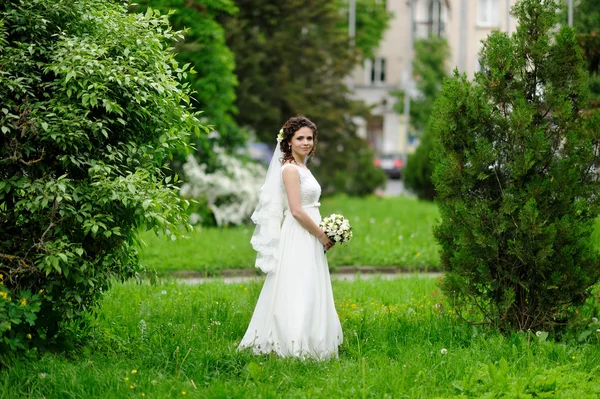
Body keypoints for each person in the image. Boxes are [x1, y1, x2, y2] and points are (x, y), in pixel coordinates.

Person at [238, 116, 343, 360]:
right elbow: (296, 210)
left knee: (310, 284)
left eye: (309, 138)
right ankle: (292, 341)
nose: (306, 142)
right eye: (300, 138)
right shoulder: (289, 169)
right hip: (300, 233)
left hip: (310, 232)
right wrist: (321, 235)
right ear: (289, 141)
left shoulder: (303, 167)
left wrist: (328, 228)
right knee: (297, 285)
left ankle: (314, 338)